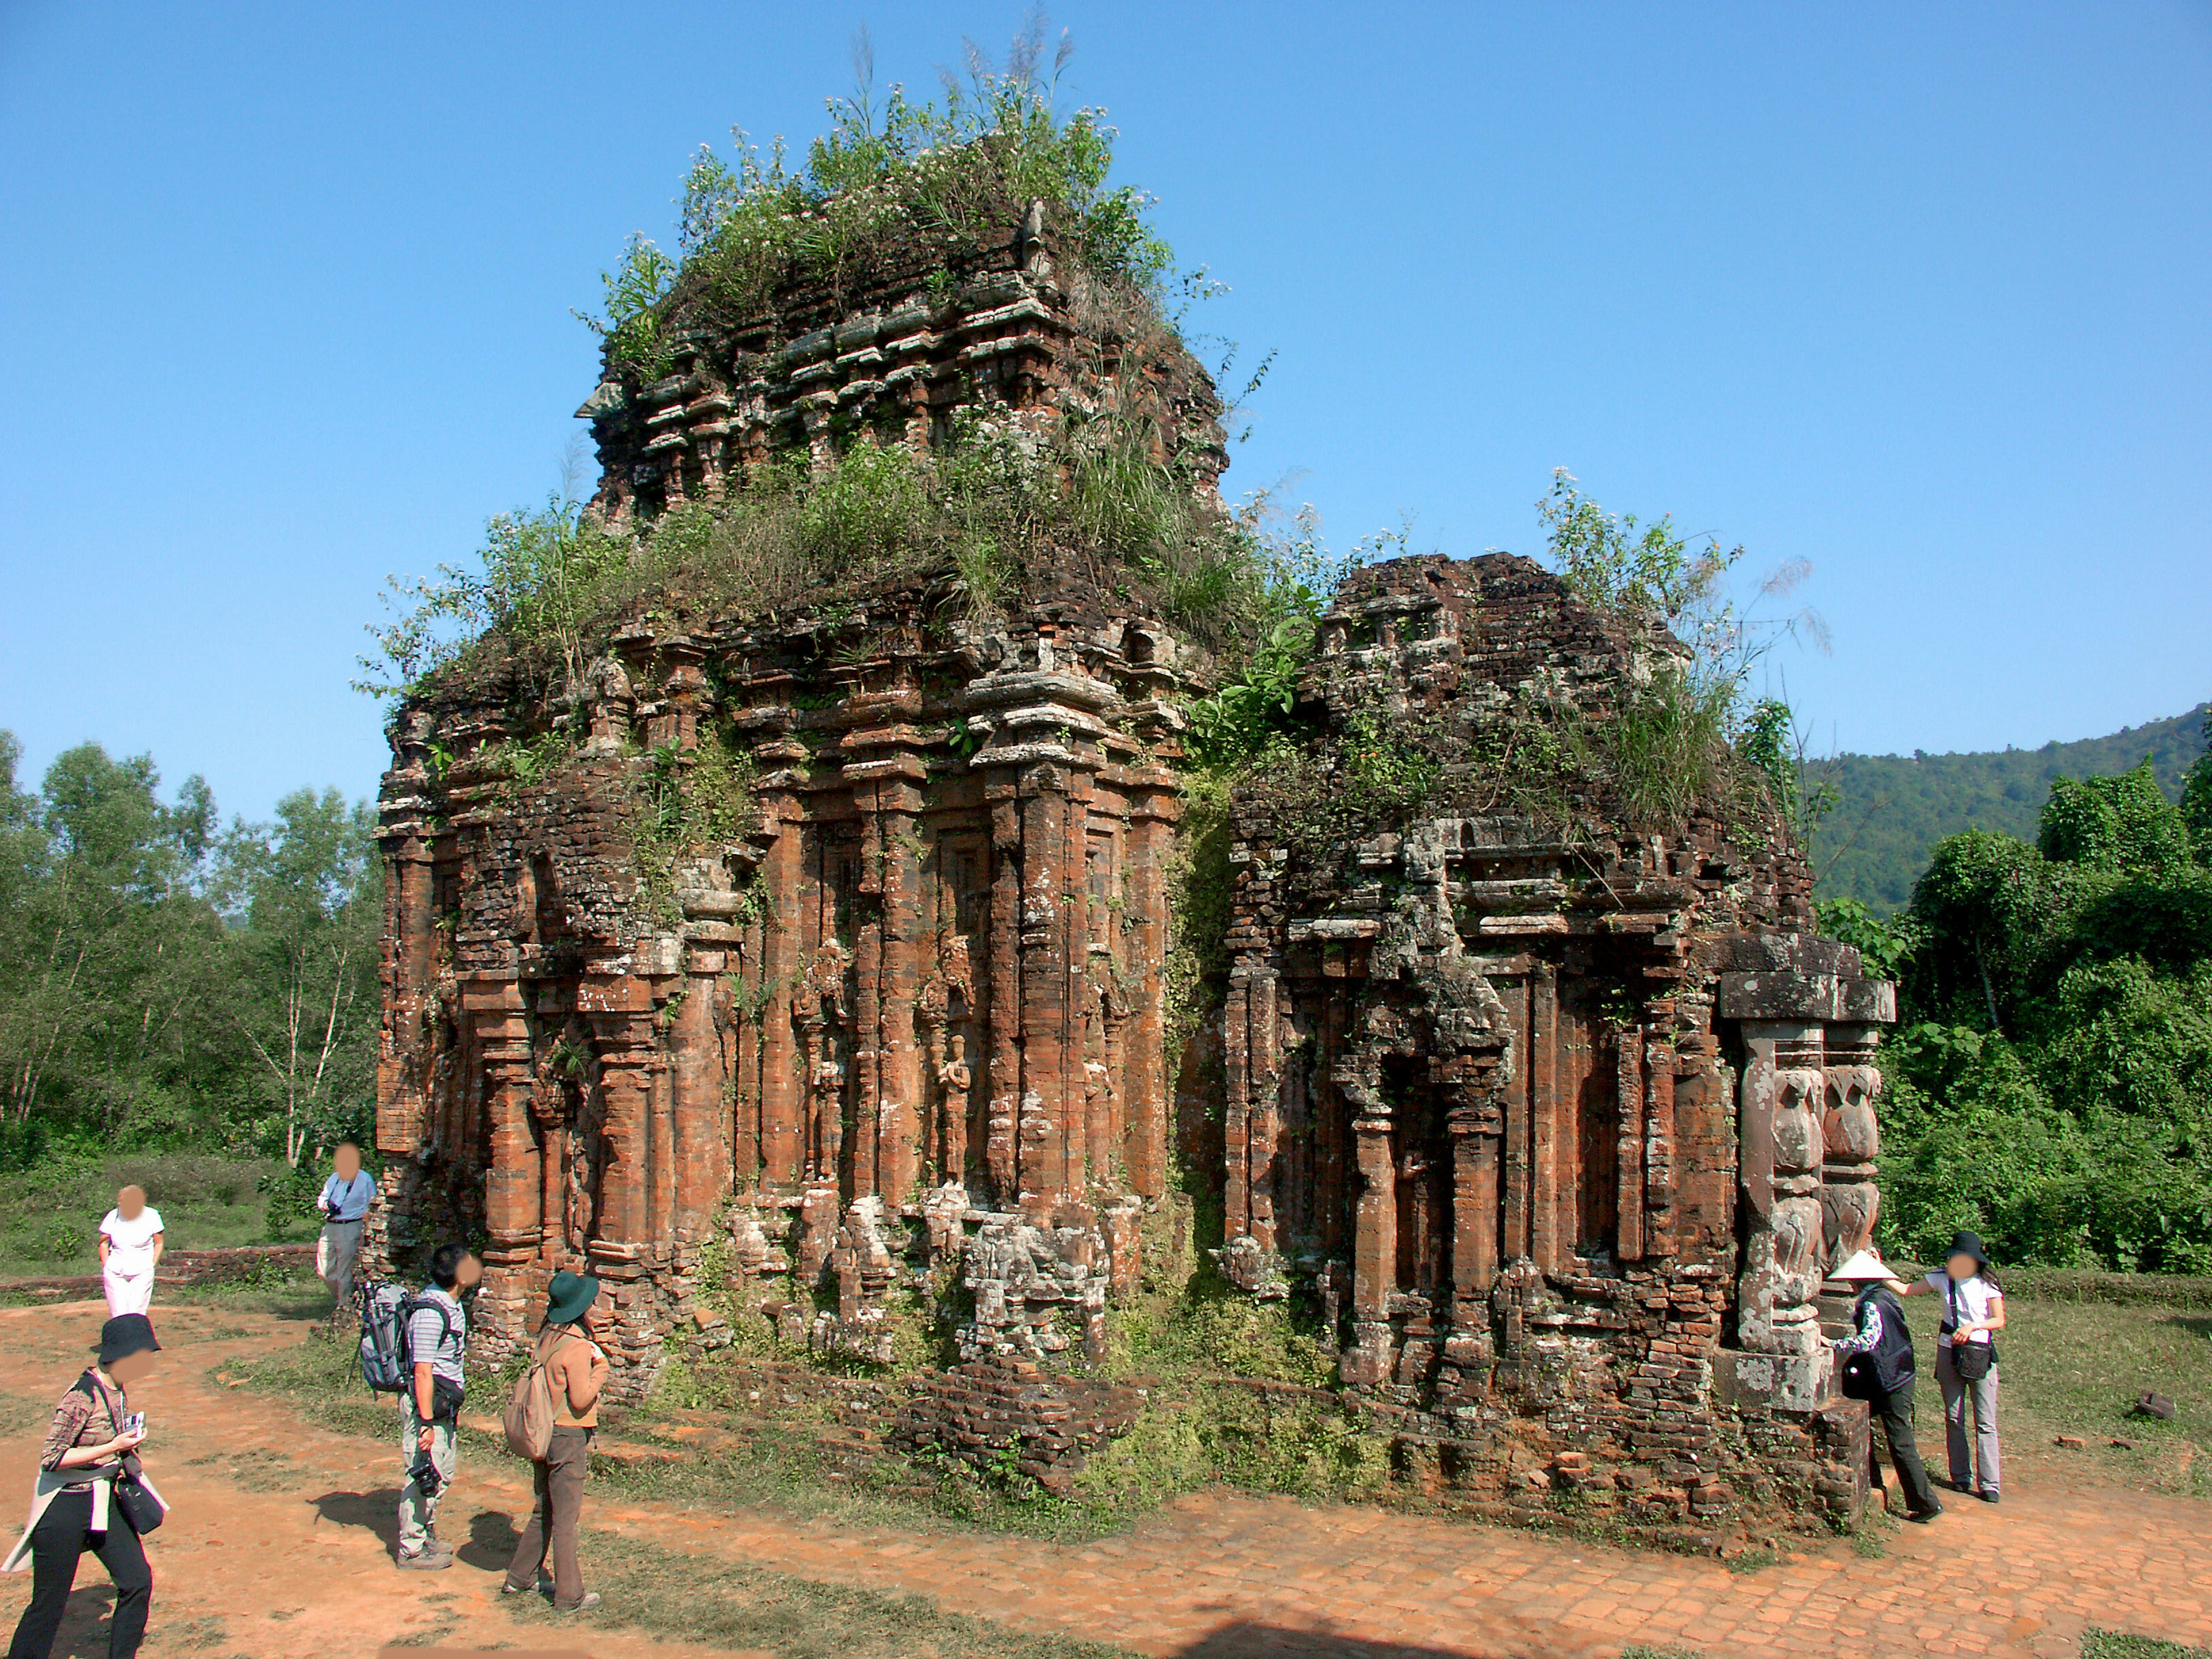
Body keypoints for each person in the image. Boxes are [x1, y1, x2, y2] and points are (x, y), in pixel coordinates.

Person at [3, 1313, 166, 1659]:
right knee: (49, 1605)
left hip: (103, 1500)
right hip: (64, 1507)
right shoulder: (81, 1396)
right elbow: (52, 1457)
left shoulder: (117, 1389)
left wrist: (128, 1448)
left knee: (137, 1581)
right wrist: (112, 1448)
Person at [502, 1270, 609, 1613]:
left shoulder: (547, 1337)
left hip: (543, 1432)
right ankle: (569, 1595)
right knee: (566, 1518)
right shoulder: (577, 1348)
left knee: (544, 1509)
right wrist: (601, 1369)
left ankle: (520, 1577)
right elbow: (580, 1399)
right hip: (568, 1437)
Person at [1828, 1248, 1942, 1523]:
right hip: (1900, 1373)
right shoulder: (1886, 1296)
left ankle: (1926, 1503)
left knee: (1901, 1442)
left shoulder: (1872, 1304)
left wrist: (1835, 1345)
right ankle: (1880, 1481)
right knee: (1885, 1432)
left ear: (1856, 1282)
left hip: (1891, 1379)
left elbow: (1869, 1341)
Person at [1901, 1229, 2005, 1503]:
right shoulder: (1940, 1278)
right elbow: (1906, 1290)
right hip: (1948, 1352)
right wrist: (1875, 1267)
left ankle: (1990, 1484)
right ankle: (1961, 1476)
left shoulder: (1987, 1284)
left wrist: (1973, 1326)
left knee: (1985, 1422)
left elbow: (1999, 1320)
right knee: (1953, 1416)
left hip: (1979, 1354)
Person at [396, 1243, 479, 1570]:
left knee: (441, 1473)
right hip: (428, 1409)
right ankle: (412, 1550)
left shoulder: (450, 1303)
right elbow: (422, 1371)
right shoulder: (431, 1314)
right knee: (423, 1475)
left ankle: (424, 1532)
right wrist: (426, 1423)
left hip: (443, 1407)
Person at [313, 1141, 377, 1314]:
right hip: (331, 1225)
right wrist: (326, 1205)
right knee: (324, 1270)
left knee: (345, 1270)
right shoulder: (334, 1178)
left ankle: (344, 1308)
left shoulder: (364, 1179)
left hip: (351, 1225)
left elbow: (371, 1204)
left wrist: (366, 1228)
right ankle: (344, 1298)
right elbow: (322, 1197)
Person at [96, 1189, 163, 1320]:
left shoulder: (151, 1215)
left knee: (136, 1312)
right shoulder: (113, 1216)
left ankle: (135, 1339)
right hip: (115, 1269)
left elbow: (159, 1243)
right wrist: (106, 1265)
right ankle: (120, 1340)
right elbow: (103, 1242)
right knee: (118, 1313)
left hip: (142, 1268)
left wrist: (152, 1265)